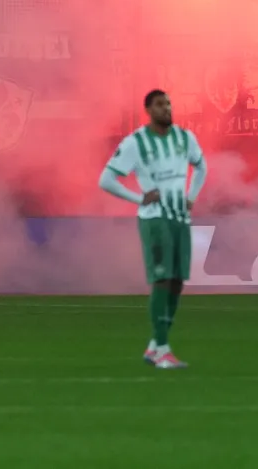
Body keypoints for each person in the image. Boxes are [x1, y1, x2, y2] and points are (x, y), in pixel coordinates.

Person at [99, 89, 207, 370]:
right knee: (161, 279)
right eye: (160, 105)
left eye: (169, 103)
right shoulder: (136, 142)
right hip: (155, 219)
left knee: (177, 281)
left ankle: (154, 346)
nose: (167, 108)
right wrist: (138, 198)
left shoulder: (186, 138)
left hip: (180, 218)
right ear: (148, 110)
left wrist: (192, 196)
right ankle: (162, 348)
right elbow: (106, 179)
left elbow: (201, 166)